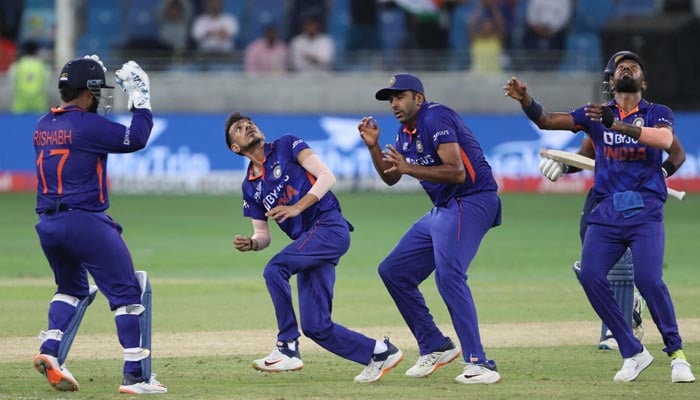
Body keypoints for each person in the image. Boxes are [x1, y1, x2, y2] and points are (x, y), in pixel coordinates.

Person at [504, 51, 696, 383]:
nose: (627, 68)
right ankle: (632, 351)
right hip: (606, 211)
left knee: (649, 281)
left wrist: (657, 171)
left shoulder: (657, 112)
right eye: (621, 67)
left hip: (645, 210)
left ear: (643, 82)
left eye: (634, 66)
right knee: (591, 276)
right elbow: (548, 120)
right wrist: (526, 101)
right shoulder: (596, 115)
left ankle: (677, 355)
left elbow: (666, 142)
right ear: (611, 81)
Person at [225, 113, 403, 383]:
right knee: (316, 326)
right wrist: (252, 243)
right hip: (309, 242)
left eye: (249, 123)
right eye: (239, 128)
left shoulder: (286, 144)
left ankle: (287, 346)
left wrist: (297, 206)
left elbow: (326, 177)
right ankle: (379, 352)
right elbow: (263, 235)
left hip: (329, 226)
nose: (247, 126)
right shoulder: (250, 187)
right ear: (235, 148)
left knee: (275, 269)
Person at [32, 55, 167, 394]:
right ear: (89, 92)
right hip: (84, 220)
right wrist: (142, 100)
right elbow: (136, 138)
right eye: (98, 90)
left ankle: (51, 351)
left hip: (48, 224)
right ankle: (136, 375)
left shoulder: (43, 125)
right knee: (129, 292)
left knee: (71, 290)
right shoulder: (87, 125)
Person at [358, 73, 503, 385]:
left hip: (473, 199)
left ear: (418, 98)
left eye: (400, 96)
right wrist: (373, 148)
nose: (394, 103)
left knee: (448, 275)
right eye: (390, 98)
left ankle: (480, 362)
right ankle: (434, 344)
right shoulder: (405, 133)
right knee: (393, 271)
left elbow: (457, 172)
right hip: (445, 208)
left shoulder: (434, 117)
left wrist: (409, 167)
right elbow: (391, 177)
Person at [9, 41, 50, 113]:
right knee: (38, 122)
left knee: (17, 122)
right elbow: (46, 81)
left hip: (21, 99)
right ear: (36, 51)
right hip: (38, 99)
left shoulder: (18, 64)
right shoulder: (42, 65)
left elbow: (11, 80)